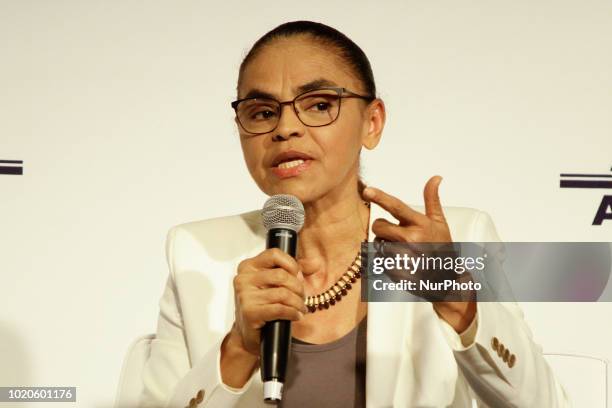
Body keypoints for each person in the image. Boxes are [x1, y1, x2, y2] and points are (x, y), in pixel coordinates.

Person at [139, 21, 570, 407]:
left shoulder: (452, 238)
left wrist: (458, 300)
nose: (285, 128)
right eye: (263, 112)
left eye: (319, 104)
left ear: (373, 122)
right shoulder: (196, 254)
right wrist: (238, 349)